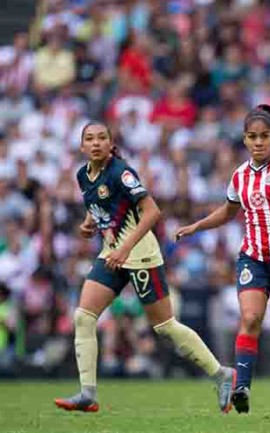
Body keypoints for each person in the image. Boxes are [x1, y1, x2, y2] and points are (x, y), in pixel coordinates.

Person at [54, 122, 236, 413]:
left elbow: (153, 212)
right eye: (90, 139)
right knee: (83, 317)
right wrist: (89, 223)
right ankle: (88, 393)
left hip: (140, 254)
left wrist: (125, 248)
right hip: (112, 253)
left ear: (110, 143)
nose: (96, 143)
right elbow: (99, 203)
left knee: (164, 326)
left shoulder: (121, 172)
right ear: (81, 146)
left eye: (102, 138)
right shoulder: (82, 175)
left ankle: (222, 374)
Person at [175, 104, 270, 414]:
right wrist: (198, 225)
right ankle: (241, 386)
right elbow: (229, 211)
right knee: (250, 318)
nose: (258, 142)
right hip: (253, 257)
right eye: (252, 137)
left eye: (264, 136)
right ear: (244, 140)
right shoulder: (240, 175)